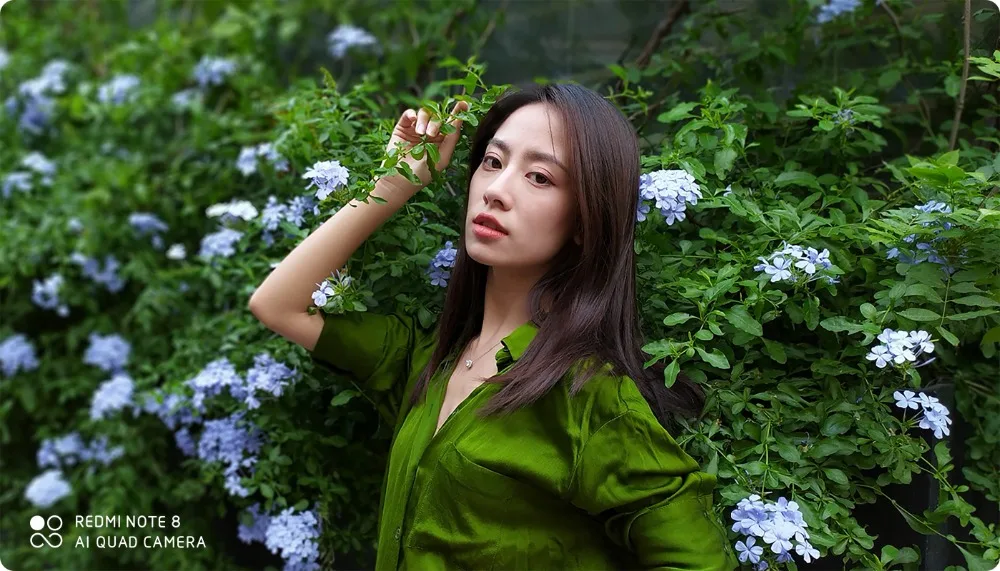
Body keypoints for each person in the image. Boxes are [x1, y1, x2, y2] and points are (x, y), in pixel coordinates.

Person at [249, 82, 737, 571]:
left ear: (584, 220)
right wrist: (394, 184)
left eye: (540, 177)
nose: (497, 190)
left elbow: (699, 561)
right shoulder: (427, 362)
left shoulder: (588, 397)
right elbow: (278, 305)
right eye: (493, 161)